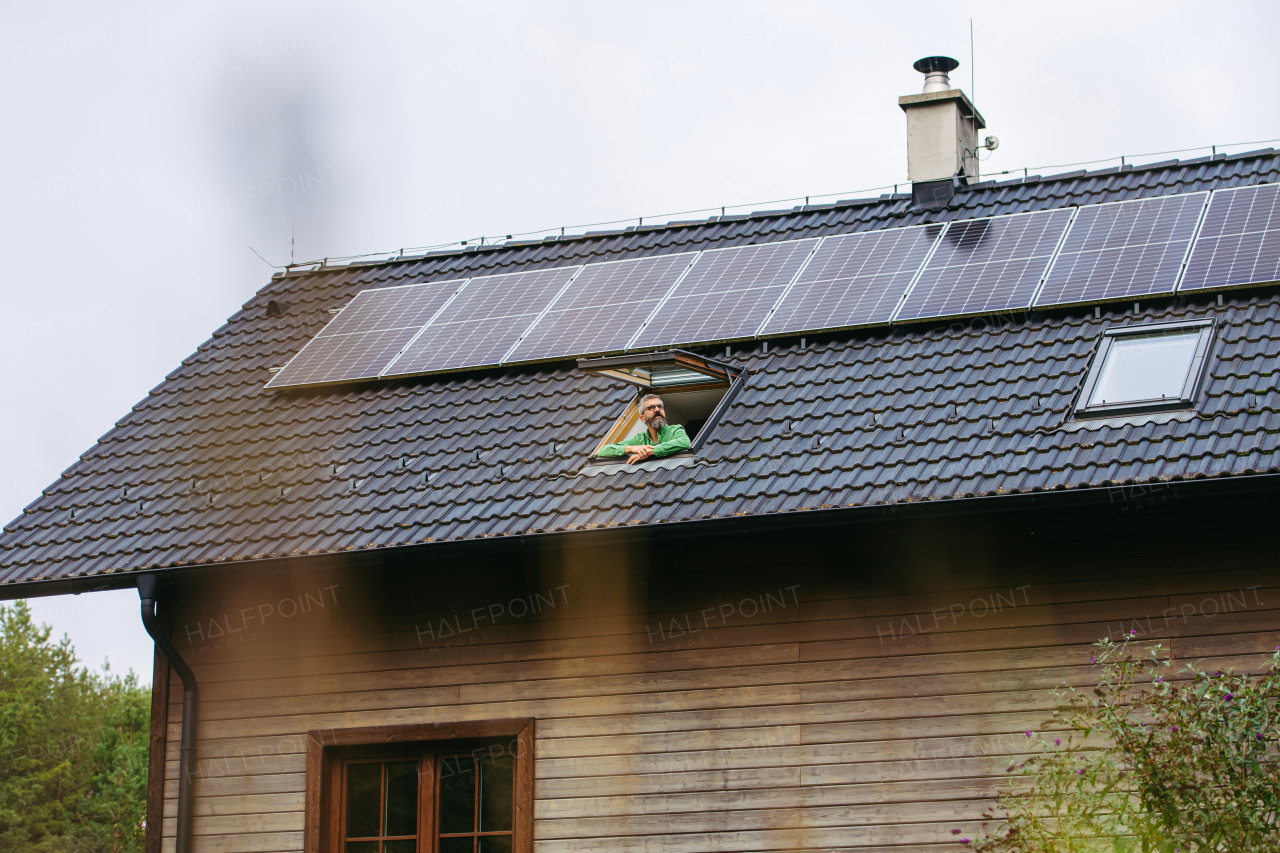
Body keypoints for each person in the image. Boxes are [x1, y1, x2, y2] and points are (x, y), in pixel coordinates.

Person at [597, 393, 690, 463]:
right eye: (651, 407)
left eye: (660, 406)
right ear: (642, 418)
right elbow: (603, 451)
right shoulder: (640, 439)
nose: (657, 410)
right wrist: (632, 449)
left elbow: (684, 442)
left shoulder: (675, 430)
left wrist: (649, 452)